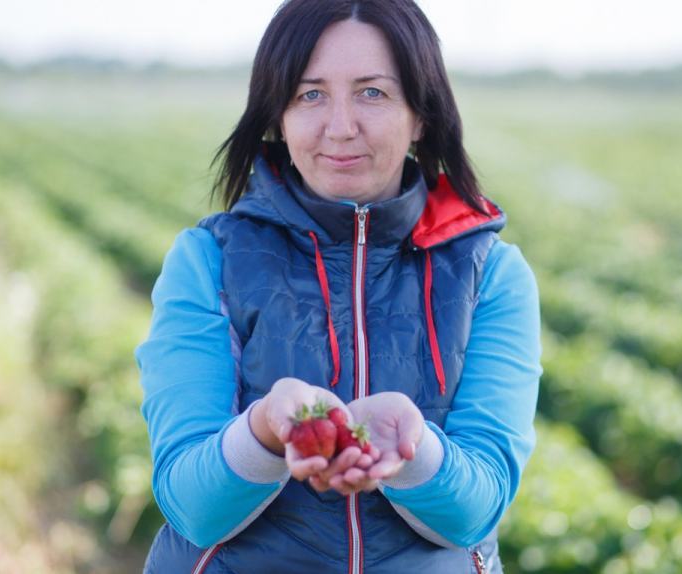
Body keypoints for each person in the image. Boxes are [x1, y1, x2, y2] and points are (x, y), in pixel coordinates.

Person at [134, 1, 541, 572]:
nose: (341, 126)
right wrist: (266, 429)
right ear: (277, 116)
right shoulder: (209, 260)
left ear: (421, 116)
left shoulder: (490, 273)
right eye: (310, 95)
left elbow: (475, 512)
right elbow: (192, 508)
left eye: (373, 93)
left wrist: (413, 450)